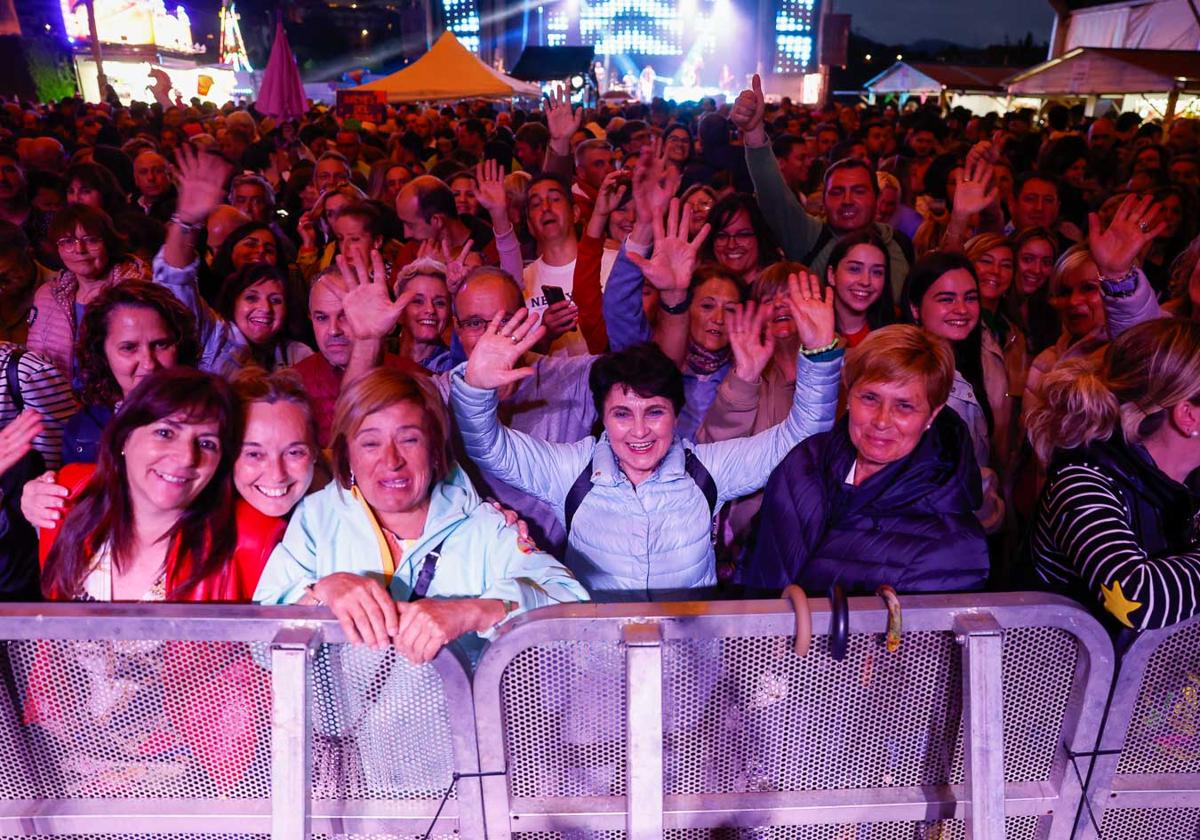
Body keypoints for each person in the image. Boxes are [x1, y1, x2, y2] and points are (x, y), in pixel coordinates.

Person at [449, 270, 841, 600]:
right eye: (622, 414)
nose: (639, 431)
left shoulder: (706, 470)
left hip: (688, 669)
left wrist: (821, 353)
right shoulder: (571, 470)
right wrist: (476, 387)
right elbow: (488, 446)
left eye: (654, 412)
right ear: (602, 416)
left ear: (675, 415)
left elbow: (802, 440)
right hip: (599, 667)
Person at [254, 367, 588, 663]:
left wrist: (472, 612)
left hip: (453, 732)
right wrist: (321, 591)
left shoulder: (483, 526)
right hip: (342, 733)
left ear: (434, 449)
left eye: (409, 439)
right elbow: (260, 648)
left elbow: (573, 604)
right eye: (370, 444)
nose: (391, 460)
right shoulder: (317, 517)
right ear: (346, 455)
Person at [746, 324, 989, 593]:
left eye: (904, 406)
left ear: (932, 415)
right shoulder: (803, 463)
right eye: (870, 398)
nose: (882, 421)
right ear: (849, 395)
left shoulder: (953, 546)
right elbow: (752, 566)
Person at [1026, 318, 1200, 631]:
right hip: (1068, 675)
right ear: (1188, 415)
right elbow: (1136, 600)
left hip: (1151, 676)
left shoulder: (1191, 481)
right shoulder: (1083, 481)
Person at [732, 75, 911, 298]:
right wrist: (753, 132)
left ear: (876, 199)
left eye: (858, 191)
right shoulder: (809, 236)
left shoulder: (899, 245)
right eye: (837, 192)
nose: (847, 200)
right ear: (823, 201)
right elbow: (773, 193)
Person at [64, 280, 199, 463]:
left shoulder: (209, 418)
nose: (149, 363)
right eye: (129, 348)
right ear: (101, 354)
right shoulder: (83, 429)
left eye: (161, 345)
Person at [28, 204, 150, 380]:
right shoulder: (46, 296)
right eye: (68, 242)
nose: (80, 250)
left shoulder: (138, 289)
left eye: (91, 240)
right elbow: (35, 361)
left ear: (108, 242)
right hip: (62, 401)